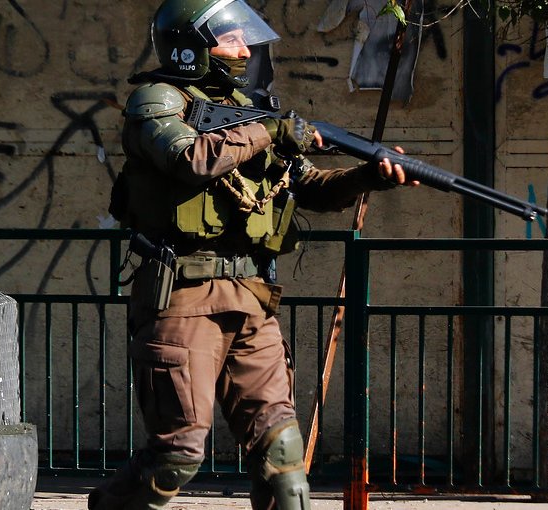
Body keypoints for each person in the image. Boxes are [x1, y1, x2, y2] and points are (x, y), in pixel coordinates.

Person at [90, 1, 418, 508]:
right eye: (231, 40)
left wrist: (369, 174)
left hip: (251, 299)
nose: (245, 50)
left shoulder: (252, 108)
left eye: (245, 39)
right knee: (177, 454)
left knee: (284, 457)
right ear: (189, 45)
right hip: (182, 298)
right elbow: (189, 158)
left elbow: (310, 186)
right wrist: (271, 129)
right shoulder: (157, 99)